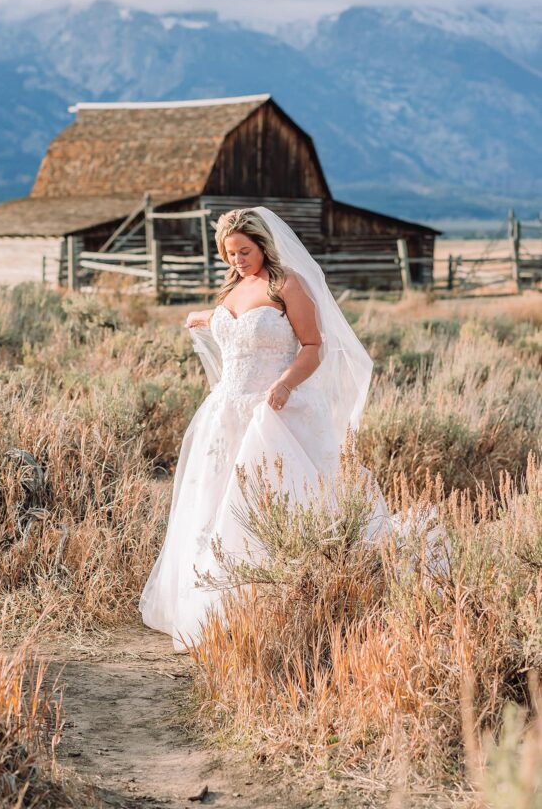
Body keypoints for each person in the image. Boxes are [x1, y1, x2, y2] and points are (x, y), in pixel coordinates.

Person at [138, 206, 392, 652]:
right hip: (226, 411)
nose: (238, 260)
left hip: (276, 409)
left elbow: (315, 346)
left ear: (263, 244)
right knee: (214, 503)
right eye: (230, 253)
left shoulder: (287, 284)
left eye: (245, 250)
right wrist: (203, 317)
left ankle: (284, 601)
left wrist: (284, 385)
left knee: (274, 498)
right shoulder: (232, 287)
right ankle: (214, 607)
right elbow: (233, 325)